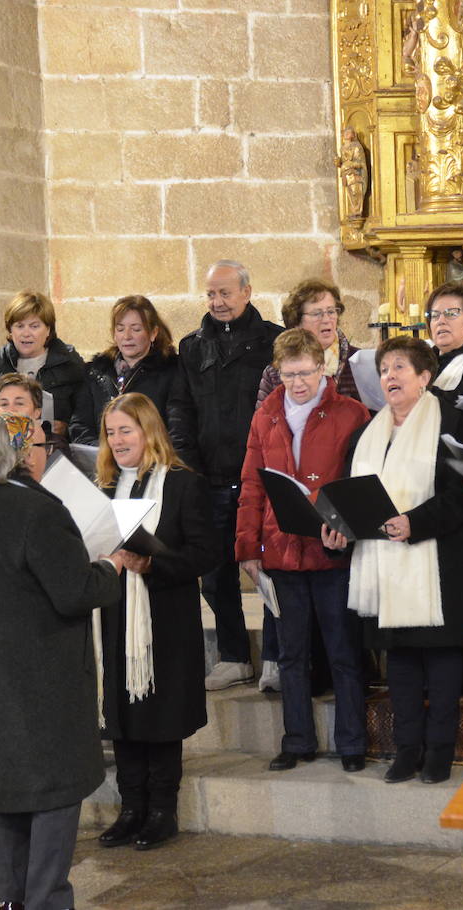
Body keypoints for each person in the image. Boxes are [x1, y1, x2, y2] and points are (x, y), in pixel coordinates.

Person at [0, 413, 127, 910]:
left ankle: (12, 900)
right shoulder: (37, 511)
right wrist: (112, 566)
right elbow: (74, 592)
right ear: (23, 453)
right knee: (53, 793)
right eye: (43, 444)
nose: (47, 452)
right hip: (46, 676)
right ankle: (46, 900)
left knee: (7, 792)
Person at [328, 336, 463, 785]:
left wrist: (415, 522)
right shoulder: (366, 434)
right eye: (384, 369)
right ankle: (406, 748)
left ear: (425, 377)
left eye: (401, 368)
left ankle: (439, 750)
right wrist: (338, 528)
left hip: (439, 563)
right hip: (382, 564)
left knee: (439, 659)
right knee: (398, 661)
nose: (390, 376)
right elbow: (350, 496)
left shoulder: (452, 423)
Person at [236, 329, 371, 773]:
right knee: (291, 654)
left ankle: (351, 743)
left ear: (323, 368)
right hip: (281, 550)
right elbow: (253, 485)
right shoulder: (266, 415)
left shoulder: (351, 414)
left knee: (343, 650)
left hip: (331, 551)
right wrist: (248, 548)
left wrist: (345, 528)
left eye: (305, 373)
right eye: (288, 374)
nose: (297, 383)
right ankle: (297, 739)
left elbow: (359, 481)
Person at [93, 394, 219, 850]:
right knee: (123, 713)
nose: (118, 439)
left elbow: (205, 553)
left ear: (149, 431)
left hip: (164, 616)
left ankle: (162, 811)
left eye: (126, 430)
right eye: (111, 432)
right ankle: (131, 809)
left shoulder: (184, 484)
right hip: (114, 613)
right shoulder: (104, 488)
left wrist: (151, 565)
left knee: (159, 713)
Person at [167, 259, 284, 691]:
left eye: (225, 293)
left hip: (259, 477)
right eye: (211, 294)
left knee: (269, 569)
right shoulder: (192, 346)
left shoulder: (273, 340)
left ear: (247, 292)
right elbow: (180, 408)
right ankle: (234, 656)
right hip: (210, 477)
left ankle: (275, 656)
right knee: (215, 574)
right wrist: (189, 463)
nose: (217, 302)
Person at [71, 296, 178, 446]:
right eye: (120, 329)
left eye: (136, 329)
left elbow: (177, 429)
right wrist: (108, 454)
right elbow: (80, 427)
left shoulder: (172, 372)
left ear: (153, 333)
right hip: (102, 462)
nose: (127, 336)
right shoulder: (96, 372)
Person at [0, 290, 86, 434]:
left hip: (53, 449)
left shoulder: (71, 366)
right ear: (10, 330)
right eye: (20, 326)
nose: (26, 333)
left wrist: (66, 428)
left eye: (34, 326)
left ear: (48, 330)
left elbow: (84, 417)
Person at [256, 279, 364, 406]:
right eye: (316, 313)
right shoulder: (275, 372)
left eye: (331, 311)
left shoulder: (359, 363)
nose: (326, 320)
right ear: (296, 322)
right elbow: (264, 422)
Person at [0, 372, 70, 464]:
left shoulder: (53, 446)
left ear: (36, 413)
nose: (11, 410)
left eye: (19, 403)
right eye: (4, 404)